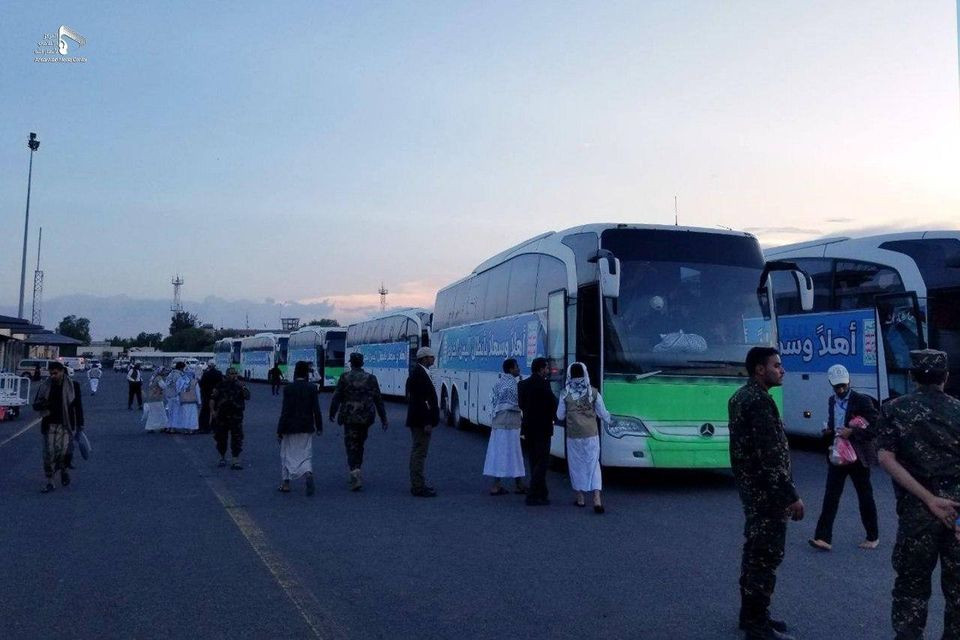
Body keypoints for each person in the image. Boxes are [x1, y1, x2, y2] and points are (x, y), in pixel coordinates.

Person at [877, 349, 960, 640]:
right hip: (957, 513)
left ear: (912, 376)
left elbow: (885, 458)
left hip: (917, 512)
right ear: (946, 376)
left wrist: (928, 498)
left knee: (911, 587)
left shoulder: (893, 409)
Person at [728, 347, 803, 640]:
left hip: (752, 490)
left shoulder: (740, 396)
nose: (782, 370)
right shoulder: (759, 402)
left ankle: (751, 615)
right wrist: (791, 496)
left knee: (753, 554)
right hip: (767, 494)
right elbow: (770, 457)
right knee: (765, 558)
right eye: (776, 365)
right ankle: (757, 625)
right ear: (760, 369)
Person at [809, 364, 880, 551]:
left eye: (843, 386)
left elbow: (876, 427)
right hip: (838, 454)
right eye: (837, 386)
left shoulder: (862, 400)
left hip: (858, 455)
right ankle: (823, 537)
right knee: (830, 496)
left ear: (849, 382)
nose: (840, 390)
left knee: (864, 495)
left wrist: (853, 432)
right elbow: (834, 424)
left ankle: (872, 536)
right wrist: (829, 431)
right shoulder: (831, 401)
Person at [557, 362, 611, 513]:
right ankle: (597, 498)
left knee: (576, 465)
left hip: (573, 435)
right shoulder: (593, 392)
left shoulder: (565, 393)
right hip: (591, 434)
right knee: (593, 464)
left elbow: (560, 415)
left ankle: (580, 498)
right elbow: (603, 414)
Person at [329, 352, 388, 491]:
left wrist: (332, 412)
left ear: (351, 364)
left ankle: (354, 470)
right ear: (362, 363)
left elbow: (337, 397)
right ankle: (357, 468)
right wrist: (383, 418)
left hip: (349, 416)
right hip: (365, 417)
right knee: (360, 443)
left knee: (351, 444)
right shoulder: (371, 378)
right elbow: (378, 399)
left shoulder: (344, 377)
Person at [31, 362, 84, 493]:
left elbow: (78, 407)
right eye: (51, 374)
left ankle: (64, 470)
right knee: (48, 455)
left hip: (65, 424)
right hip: (49, 424)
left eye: (55, 373)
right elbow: (35, 405)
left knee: (63, 453)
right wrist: (43, 405)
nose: (53, 376)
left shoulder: (73, 386)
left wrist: (80, 425)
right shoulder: (45, 386)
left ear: (62, 371)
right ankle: (50, 481)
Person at [277, 361, 323, 495]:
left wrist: (279, 430)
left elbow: (285, 411)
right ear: (307, 373)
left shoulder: (288, 388)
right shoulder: (312, 388)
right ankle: (308, 473)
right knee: (305, 454)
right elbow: (316, 410)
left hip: (289, 427)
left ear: (295, 372)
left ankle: (286, 483)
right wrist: (319, 427)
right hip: (306, 426)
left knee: (286, 453)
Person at [483, 358, 527, 496]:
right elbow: (517, 404)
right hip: (510, 424)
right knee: (513, 453)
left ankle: (502, 484)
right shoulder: (512, 386)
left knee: (500, 453)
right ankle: (513, 484)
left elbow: (492, 401)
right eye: (517, 367)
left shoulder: (499, 383)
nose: (519, 369)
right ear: (511, 369)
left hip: (498, 423)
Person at [518, 357, 558, 507]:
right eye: (546, 368)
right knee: (542, 461)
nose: (548, 370)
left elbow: (521, 404)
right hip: (543, 428)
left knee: (533, 460)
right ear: (541, 369)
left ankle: (542, 493)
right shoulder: (544, 384)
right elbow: (552, 404)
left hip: (529, 427)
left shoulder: (523, 384)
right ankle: (533, 494)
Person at [406, 346, 439, 497]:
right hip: (420, 421)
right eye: (431, 356)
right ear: (424, 359)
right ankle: (418, 486)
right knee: (419, 453)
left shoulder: (420, 373)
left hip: (418, 419)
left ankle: (418, 483)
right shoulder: (419, 375)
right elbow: (422, 401)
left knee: (418, 451)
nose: (433, 359)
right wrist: (427, 421)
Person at [210, 367, 250, 470]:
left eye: (235, 373)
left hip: (236, 416)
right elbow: (213, 398)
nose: (234, 375)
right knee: (221, 438)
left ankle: (235, 459)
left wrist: (243, 387)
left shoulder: (240, 385)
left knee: (237, 438)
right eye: (231, 374)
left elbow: (247, 396)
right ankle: (222, 457)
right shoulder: (220, 385)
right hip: (222, 416)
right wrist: (212, 411)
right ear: (227, 375)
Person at [198, 360, 224, 434]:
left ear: (208, 365)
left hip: (206, 394)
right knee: (215, 410)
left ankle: (204, 427)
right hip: (216, 394)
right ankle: (214, 427)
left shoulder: (206, 374)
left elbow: (202, 384)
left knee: (205, 411)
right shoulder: (219, 373)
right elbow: (222, 383)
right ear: (215, 365)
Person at [161, 362, 185, 433]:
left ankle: (168, 427)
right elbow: (179, 387)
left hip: (169, 395)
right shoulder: (179, 375)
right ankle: (173, 428)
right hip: (176, 396)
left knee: (170, 413)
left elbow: (166, 385)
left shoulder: (170, 374)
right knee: (175, 413)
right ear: (181, 368)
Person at [175, 368, 201, 433]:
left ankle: (185, 429)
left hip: (184, 401)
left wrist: (179, 400)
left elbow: (178, 391)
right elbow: (197, 392)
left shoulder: (181, 381)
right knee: (192, 416)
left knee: (184, 415)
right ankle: (191, 429)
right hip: (193, 401)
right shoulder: (195, 382)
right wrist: (199, 402)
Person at [144, 367, 169, 433]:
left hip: (152, 397)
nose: (165, 372)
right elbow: (163, 386)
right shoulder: (159, 378)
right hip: (157, 398)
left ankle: (150, 427)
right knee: (161, 413)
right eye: (163, 371)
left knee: (152, 414)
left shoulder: (153, 378)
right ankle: (163, 426)